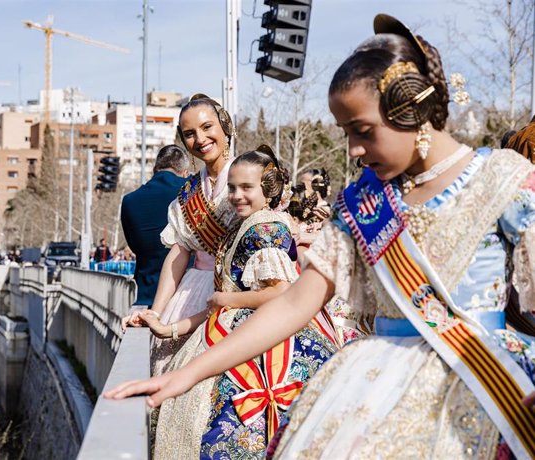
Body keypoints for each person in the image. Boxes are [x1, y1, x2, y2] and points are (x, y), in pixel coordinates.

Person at [106, 14, 535, 458]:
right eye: (346, 133)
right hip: (377, 393)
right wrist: (188, 374)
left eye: (363, 131)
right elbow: (294, 302)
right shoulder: (362, 203)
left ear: (414, 109)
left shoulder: (503, 179)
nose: (352, 149)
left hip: (489, 387)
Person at [136, 146, 337, 459]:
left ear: (268, 190)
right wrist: (170, 328)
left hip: (265, 342)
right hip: (232, 328)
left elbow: (280, 292)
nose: (237, 195)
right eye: (232, 188)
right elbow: (218, 307)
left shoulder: (265, 227)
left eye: (247, 188)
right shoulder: (245, 225)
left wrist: (226, 298)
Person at [125, 94, 241, 376]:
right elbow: (178, 255)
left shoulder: (250, 177)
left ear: (224, 126)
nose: (200, 139)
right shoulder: (187, 193)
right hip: (193, 294)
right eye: (189, 134)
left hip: (240, 293)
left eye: (207, 127)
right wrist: (156, 311)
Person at [120, 145, 190, 307]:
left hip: (146, 293)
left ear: (154, 169)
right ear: (184, 171)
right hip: (185, 293)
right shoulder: (191, 191)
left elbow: (134, 245)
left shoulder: (129, 200)